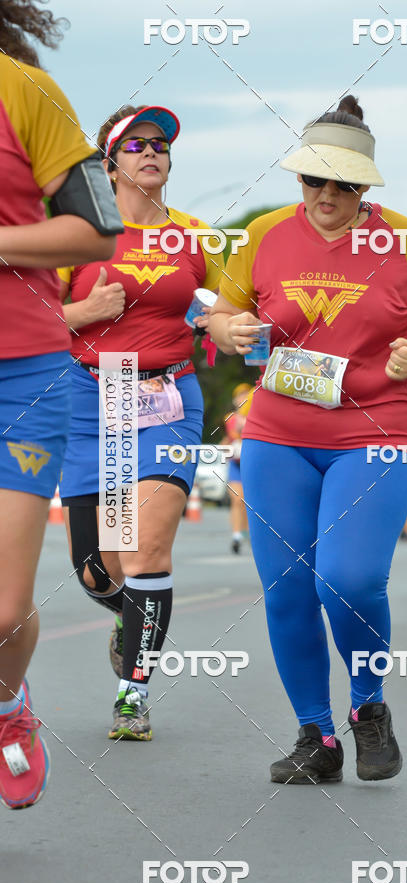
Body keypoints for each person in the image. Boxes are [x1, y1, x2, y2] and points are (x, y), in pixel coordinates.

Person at [209, 95, 407, 783]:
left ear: (365, 186)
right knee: (288, 587)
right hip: (278, 433)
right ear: (298, 180)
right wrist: (225, 329)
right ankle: (315, 739)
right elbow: (224, 310)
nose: (327, 195)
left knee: (347, 580)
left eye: (344, 183)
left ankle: (369, 707)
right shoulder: (263, 234)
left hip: (375, 430)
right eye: (314, 180)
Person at [58, 104, 223, 740]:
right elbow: (29, 323)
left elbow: (225, 308)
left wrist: (218, 322)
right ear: (110, 162)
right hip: (88, 396)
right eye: (134, 145)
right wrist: (86, 310)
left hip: (167, 401)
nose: (150, 152)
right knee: (100, 568)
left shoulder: (197, 237)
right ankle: (129, 615)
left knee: (147, 547)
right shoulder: (80, 234)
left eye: (159, 144)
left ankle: (134, 692)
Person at [0, 2, 120, 808]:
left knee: (4, 611)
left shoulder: (24, 91)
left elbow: (94, 231)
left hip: (23, 371)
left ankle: (10, 707)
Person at [224, 383, 252, 553]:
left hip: (250, 462)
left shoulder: (256, 416)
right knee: (237, 500)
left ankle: (248, 533)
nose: (243, 398)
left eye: (246, 395)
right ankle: (236, 535)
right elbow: (234, 434)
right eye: (240, 395)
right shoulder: (230, 418)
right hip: (236, 463)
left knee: (249, 503)